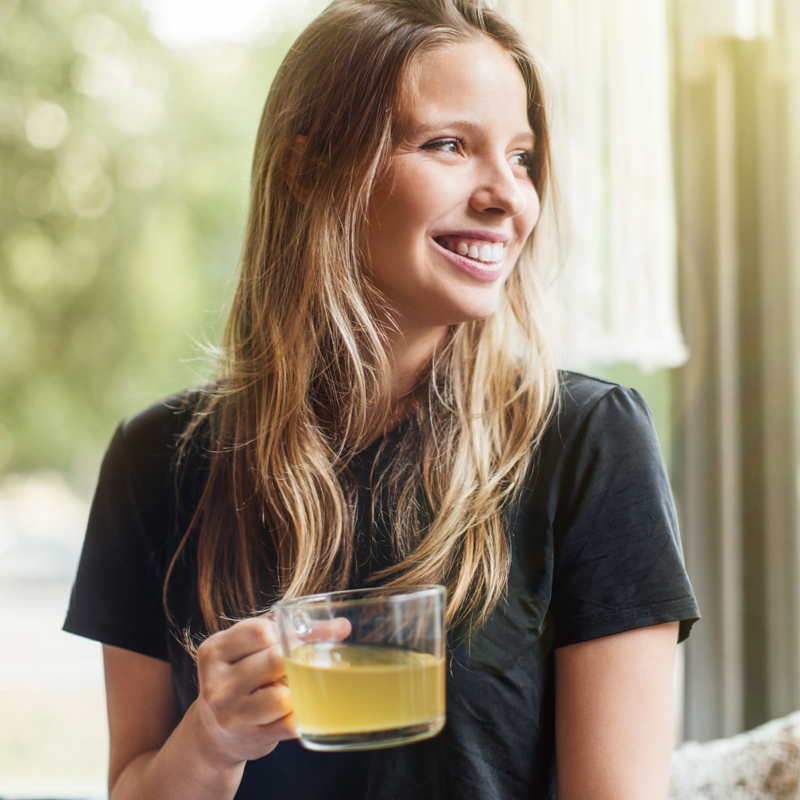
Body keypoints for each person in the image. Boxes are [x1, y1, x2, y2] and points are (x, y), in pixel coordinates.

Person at [64, 0, 700, 798]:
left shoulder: (586, 442)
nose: (510, 197)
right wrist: (212, 741)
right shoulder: (155, 460)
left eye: (522, 157)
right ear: (307, 169)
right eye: (448, 145)